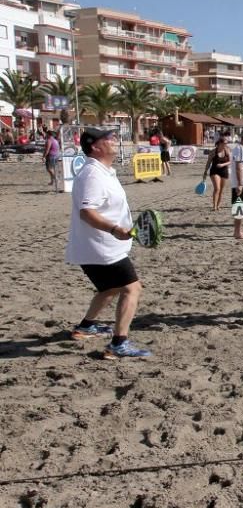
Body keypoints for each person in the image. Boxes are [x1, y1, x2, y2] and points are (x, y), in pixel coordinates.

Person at [65, 127, 151, 359]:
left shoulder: (103, 171)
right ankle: (118, 344)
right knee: (132, 288)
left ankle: (85, 327)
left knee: (109, 288)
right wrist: (114, 229)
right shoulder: (93, 174)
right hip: (101, 248)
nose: (114, 140)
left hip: (97, 247)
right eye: (109, 138)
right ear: (95, 146)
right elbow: (87, 212)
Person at [202, 136, 231, 211]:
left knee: (221, 190)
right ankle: (214, 206)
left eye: (226, 143)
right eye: (225, 143)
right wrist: (205, 172)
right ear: (220, 143)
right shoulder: (213, 152)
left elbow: (231, 161)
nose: (226, 144)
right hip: (214, 171)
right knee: (217, 188)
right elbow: (208, 162)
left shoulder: (227, 150)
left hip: (224, 171)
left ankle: (218, 205)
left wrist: (223, 165)